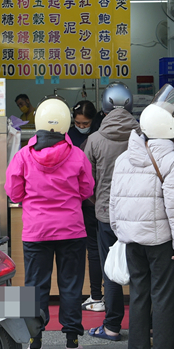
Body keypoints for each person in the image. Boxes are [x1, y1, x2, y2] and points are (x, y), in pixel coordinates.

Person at [4, 98, 94, 349]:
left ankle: (35, 341)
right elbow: (87, 189)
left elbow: (14, 192)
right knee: (71, 284)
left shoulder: (23, 155)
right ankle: (72, 341)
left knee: (34, 286)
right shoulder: (77, 154)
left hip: (36, 230)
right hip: (71, 229)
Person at [109, 86, 174, 349]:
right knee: (164, 296)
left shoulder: (123, 159)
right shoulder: (171, 160)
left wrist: (121, 232)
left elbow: (113, 202)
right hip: (162, 241)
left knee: (139, 295)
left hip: (132, 240)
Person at [82, 82, 137, 340]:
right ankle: (142, 326)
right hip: (140, 214)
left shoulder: (93, 140)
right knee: (142, 270)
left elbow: (86, 183)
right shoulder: (143, 136)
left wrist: (98, 202)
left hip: (106, 215)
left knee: (111, 270)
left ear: (103, 108)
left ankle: (112, 326)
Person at [68, 100, 103, 312]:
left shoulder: (97, 137)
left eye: (85, 123)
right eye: (78, 123)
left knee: (93, 250)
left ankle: (96, 297)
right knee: (94, 250)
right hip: (86, 201)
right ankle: (97, 297)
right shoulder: (70, 137)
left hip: (87, 201)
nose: (81, 126)